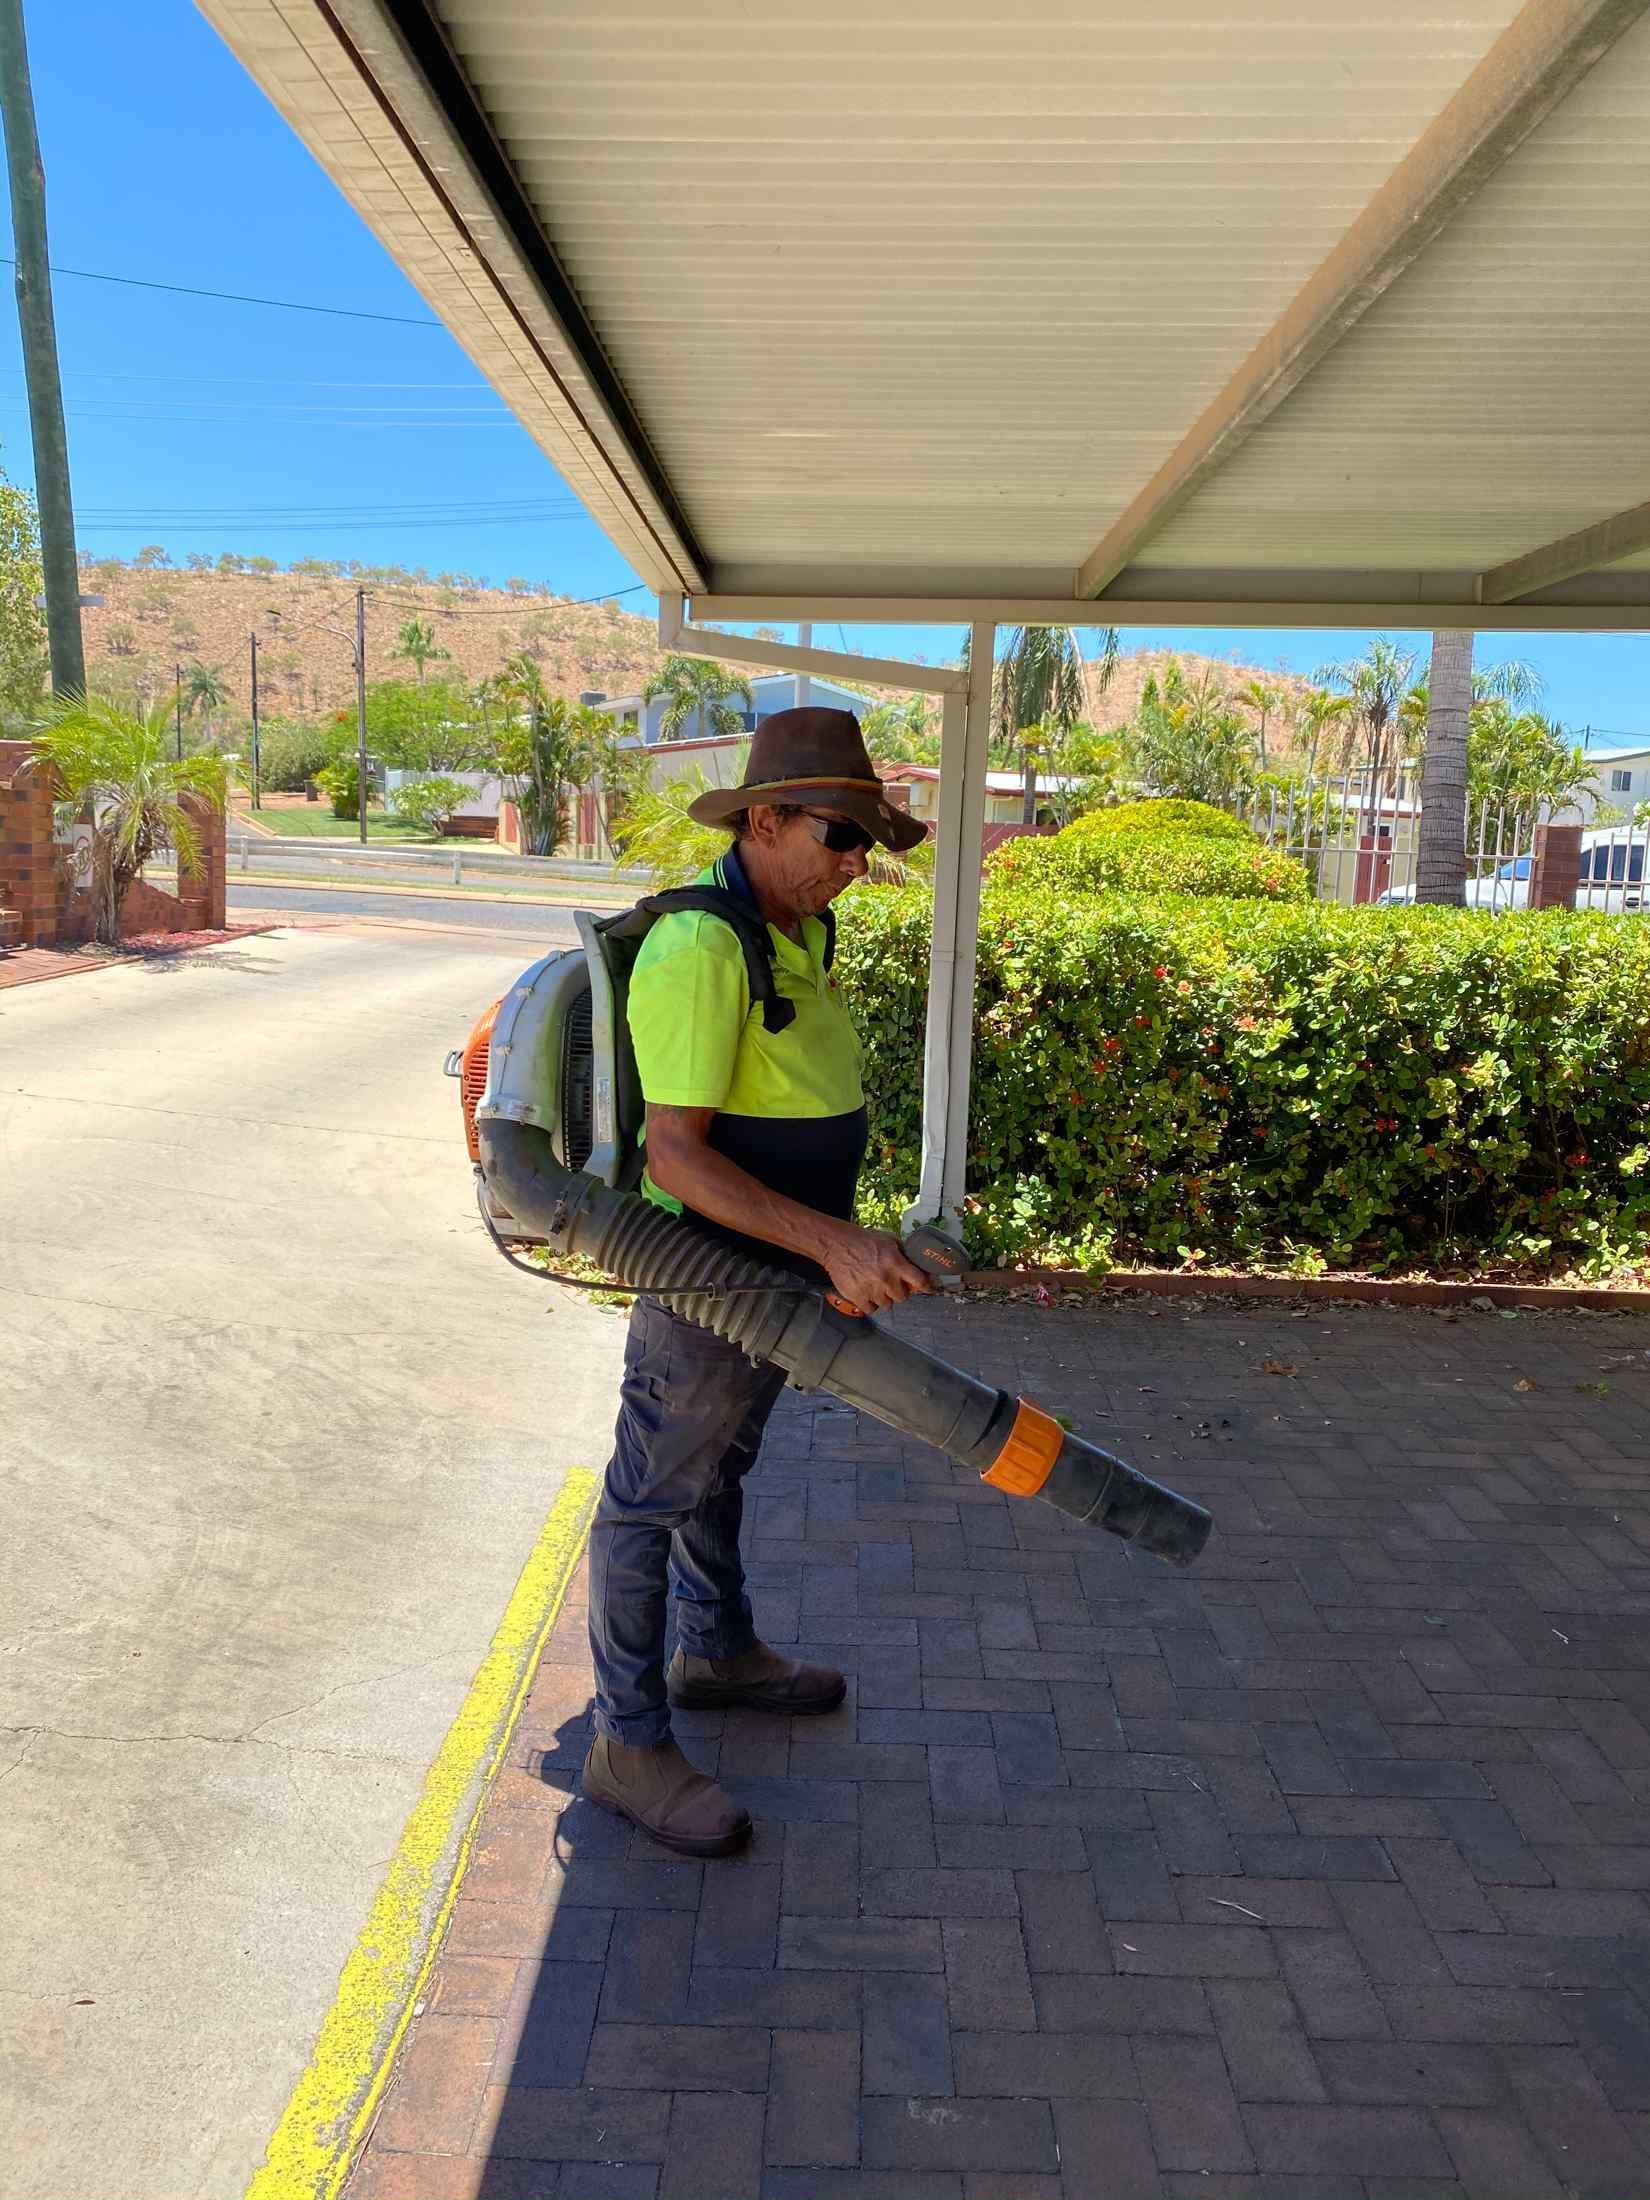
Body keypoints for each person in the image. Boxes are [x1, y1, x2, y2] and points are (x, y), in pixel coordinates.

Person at [581, 707, 933, 1855]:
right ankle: (627, 1742)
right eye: (840, 835)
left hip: (775, 1277)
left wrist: (834, 1238)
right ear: (767, 820)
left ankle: (716, 1649)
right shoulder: (702, 946)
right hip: (708, 1280)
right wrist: (834, 1243)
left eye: (868, 842)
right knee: (649, 1496)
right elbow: (677, 1155)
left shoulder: (795, 931)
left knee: (721, 1465)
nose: (856, 863)